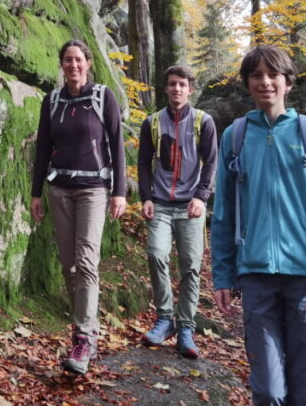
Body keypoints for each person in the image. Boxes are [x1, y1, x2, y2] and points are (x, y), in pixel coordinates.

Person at [210, 46, 306, 406]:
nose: (265, 82)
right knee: (269, 392)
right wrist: (223, 275)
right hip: (256, 279)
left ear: (288, 82)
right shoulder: (234, 137)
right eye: (256, 75)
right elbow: (222, 213)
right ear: (247, 83)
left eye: (273, 75)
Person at [31, 39, 126, 376]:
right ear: (62, 65)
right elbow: (43, 147)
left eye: (78, 60)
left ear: (88, 63)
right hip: (59, 190)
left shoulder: (103, 97)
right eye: (67, 61)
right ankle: (88, 328)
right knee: (69, 264)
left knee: (86, 261)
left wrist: (120, 192)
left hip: (94, 190)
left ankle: (82, 337)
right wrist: (36, 192)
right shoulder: (52, 101)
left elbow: (116, 143)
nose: (73, 66)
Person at [137, 64, 217, 358]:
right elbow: (144, 163)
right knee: (156, 254)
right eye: (172, 84)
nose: (177, 89)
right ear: (166, 87)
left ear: (190, 89)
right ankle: (164, 318)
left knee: (191, 265)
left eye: (182, 84)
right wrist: (145, 196)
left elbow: (211, 161)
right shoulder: (152, 123)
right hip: (159, 202)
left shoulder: (203, 122)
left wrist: (201, 196)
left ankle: (185, 327)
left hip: (190, 206)